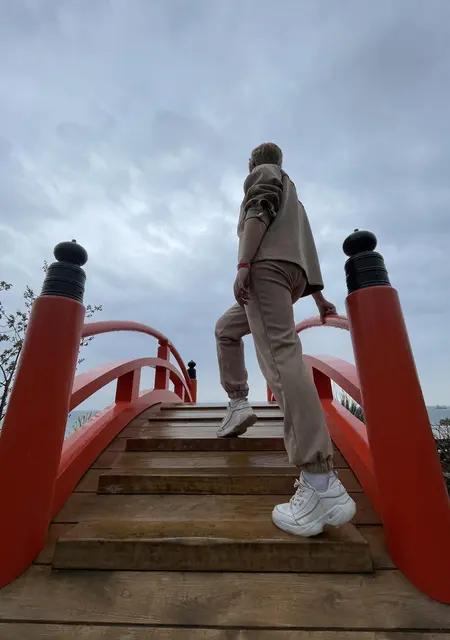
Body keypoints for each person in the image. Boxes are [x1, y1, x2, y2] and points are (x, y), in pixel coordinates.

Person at [215, 142, 356, 537]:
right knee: (226, 329)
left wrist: (244, 263)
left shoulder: (264, 174)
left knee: (280, 356)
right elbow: (306, 250)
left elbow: (257, 209)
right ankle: (238, 401)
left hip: (265, 270)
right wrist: (318, 297)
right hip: (291, 277)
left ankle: (319, 480)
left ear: (252, 163)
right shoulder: (297, 201)